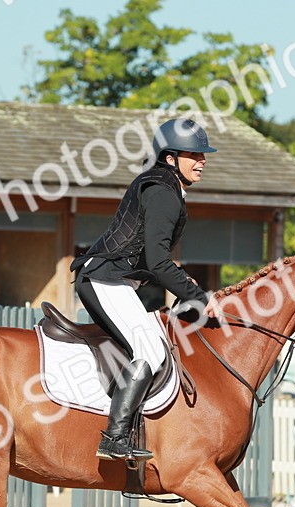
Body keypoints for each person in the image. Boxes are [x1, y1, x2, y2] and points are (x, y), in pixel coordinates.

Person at [70, 118, 222, 461]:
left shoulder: (164, 186)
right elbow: (157, 262)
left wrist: (184, 280)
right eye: (194, 154)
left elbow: (154, 260)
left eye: (203, 155)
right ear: (170, 158)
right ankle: (114, 437)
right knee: (151, 351)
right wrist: (199, 298)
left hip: (113, 279)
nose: (202, 160)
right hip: (105, 280)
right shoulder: (164, 192)